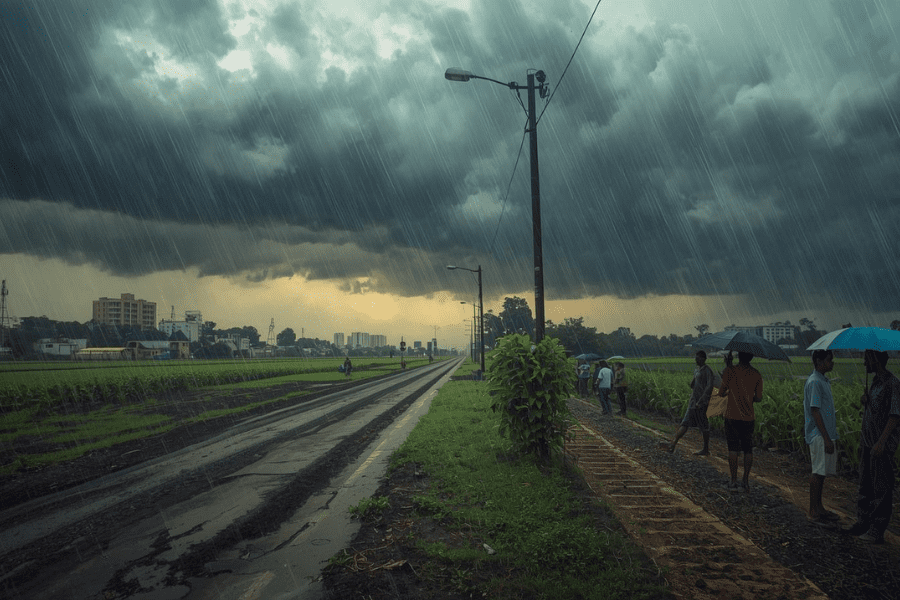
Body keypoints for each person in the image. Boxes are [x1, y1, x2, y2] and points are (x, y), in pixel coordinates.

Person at [844, 350, 900, 544]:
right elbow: (877, 410)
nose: (863, 362)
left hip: (879, 446)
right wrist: (865, 401)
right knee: (865, 485)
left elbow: (894, 416)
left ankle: (876, 530)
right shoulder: (875, 382)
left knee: (881, 488)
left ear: (875, 360)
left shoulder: (892, 384)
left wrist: (881, 442)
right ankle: (863, 523)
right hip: (868, 443)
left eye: (866, 359)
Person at [717, 351, 762, 492]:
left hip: (731, 416)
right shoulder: (756, 374)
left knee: (733, 449)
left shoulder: (730, 371)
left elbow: (721, 392)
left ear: (738, 357)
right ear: (751, 357)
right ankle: (746, 482)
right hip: (748, 417)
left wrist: (730, 392)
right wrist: (748, 398)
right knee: (748, 449)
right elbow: (759, 398)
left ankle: (733, 481)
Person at [804, 350, 840, 523]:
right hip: (819, 434)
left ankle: (819, 507)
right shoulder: (815, 382)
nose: (832, 363)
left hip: (825, 433)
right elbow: (815, 411)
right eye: (829, 360)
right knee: (818, 472)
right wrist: (825, 438)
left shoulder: (823, 380)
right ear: (819, 361)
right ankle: (813, 510)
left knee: (822, 471)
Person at [666, 351, 714, 454]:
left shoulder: (707, 370)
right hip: (693, 402)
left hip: (700, 403)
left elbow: (709, 387)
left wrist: (701, 400)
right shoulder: (697, 370)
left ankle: (705, 449)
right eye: (696, 357)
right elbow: (693, 384)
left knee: (703, 426)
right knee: (685, 422)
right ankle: (673, 444)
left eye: (698, 358)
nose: (696, 360)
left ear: (703, 359)